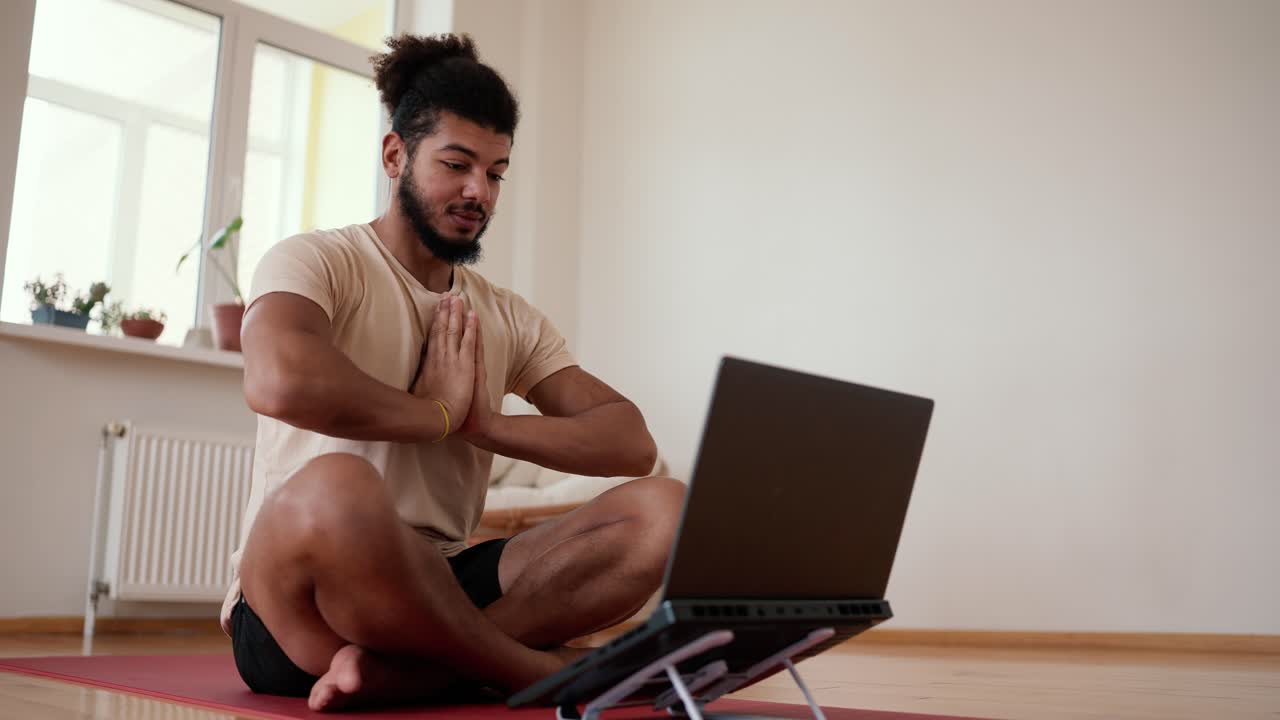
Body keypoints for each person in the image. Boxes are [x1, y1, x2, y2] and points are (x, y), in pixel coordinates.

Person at [220, 33, 685, 712]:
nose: (479, 192)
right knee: (338, 488)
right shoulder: (315, 262)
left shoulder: (506, 316)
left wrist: (485, 424)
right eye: (457, 164)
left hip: (439, 583)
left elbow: (629, 442)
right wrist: (433, 414)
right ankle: (529, 670)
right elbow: (278, 381)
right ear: (395, 155)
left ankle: (411, 675)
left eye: (496, 173)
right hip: (298, 610)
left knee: (664, 509)